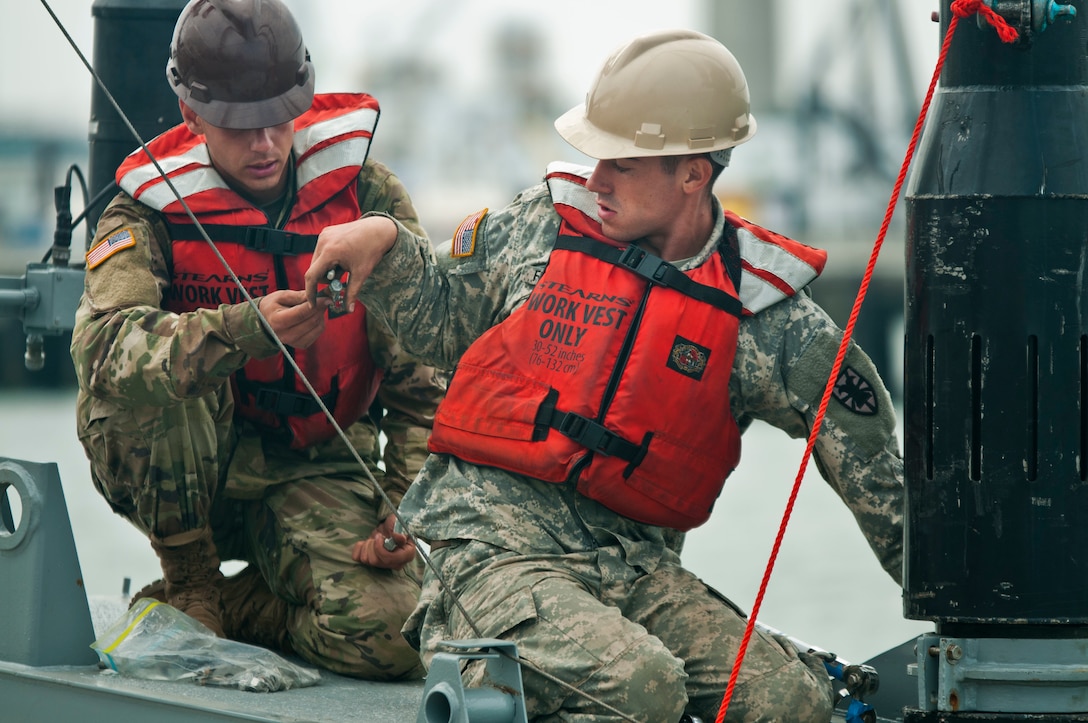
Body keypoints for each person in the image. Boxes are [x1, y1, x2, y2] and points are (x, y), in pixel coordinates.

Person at [304, 29, 903, 720]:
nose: (595, 180)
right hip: (492, 555)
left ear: (692, 173)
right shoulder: (544, 225)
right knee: (642, 687)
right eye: (595, 159)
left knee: (789, 700)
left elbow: (881, 484)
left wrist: (983, 627)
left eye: (621, 163)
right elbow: (438, 315)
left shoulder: (768, 318)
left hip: (634, 568)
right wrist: (384, 239)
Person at [70, 0, 445, 681]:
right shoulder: (144, 209)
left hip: (319, 465)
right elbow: (103, 349)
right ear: (190, 116)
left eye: (278, 116)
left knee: (396, 637)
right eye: (240, 126)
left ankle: (238, 606)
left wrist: (407, 503)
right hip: (191, 478)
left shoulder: (366, 197)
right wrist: (241, 330)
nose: (266, 142)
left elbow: (426, 365)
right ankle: (190, 582)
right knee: (156, 375)